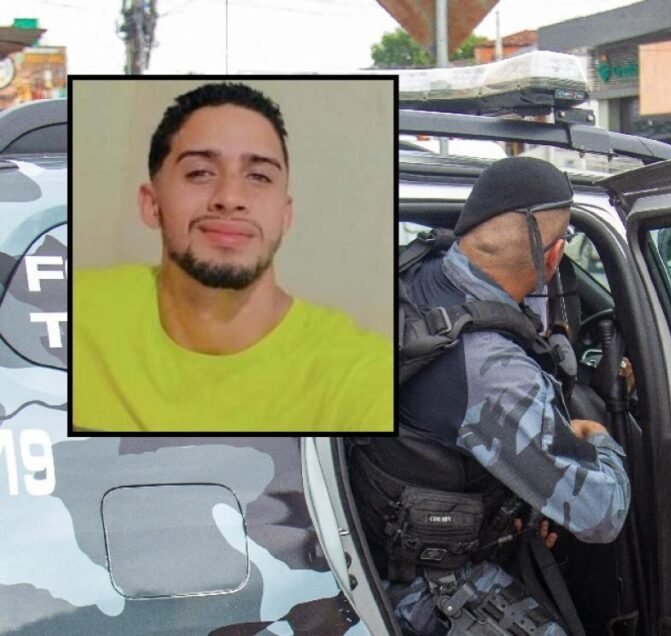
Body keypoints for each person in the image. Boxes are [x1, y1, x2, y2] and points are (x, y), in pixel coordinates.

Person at [350, 156, 630, 635]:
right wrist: (598, 438)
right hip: (423, 584)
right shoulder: (492, 369)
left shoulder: (419, 274)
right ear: (553, 256)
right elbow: (600, 513)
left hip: (376, 534)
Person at [72, 82, 392, 432]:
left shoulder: (363, 378)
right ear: (152, 205)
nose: (230, 197)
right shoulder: (71, 315)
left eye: (259, 176)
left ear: (285, 215)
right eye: (200, 173)